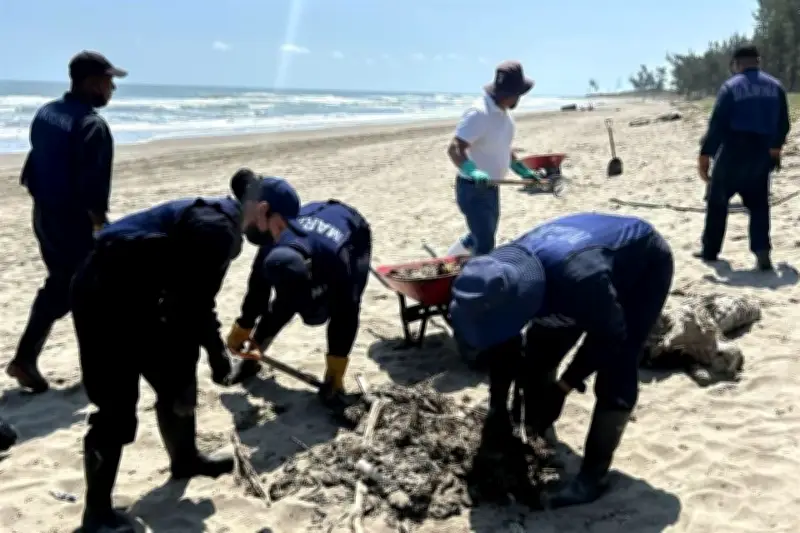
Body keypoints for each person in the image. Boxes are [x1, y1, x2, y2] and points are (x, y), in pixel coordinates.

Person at [71, 171, 301, 533]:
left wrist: (209, 352)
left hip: (145, 296)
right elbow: (193, 304)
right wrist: (217, 355)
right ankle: (96, 515)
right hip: (102, 296)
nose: (278, 237)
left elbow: (191, 299)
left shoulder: (224, 225)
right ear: (262, 210)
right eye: (279, 227)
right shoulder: (216, 229)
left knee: (177, 374)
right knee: (116, 407)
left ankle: (186, 459)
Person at [449, 213, 674, 509]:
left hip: (641, 268)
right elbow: (505, 346)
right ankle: (537, 435)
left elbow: (609, 336)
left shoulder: (579, 282)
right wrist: (497, 406)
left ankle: (592, 478)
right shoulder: (499, 278)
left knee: (617, 366)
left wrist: (562, 389)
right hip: (575, 266)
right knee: (538, 356)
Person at [7, 51, 127, 393]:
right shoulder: (91, 126)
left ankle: (26, 358)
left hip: (45, 214)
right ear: (92, 83)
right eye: (109, 81)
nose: (112, 89)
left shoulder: (47, 113)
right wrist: (100, 225)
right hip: (74, 223)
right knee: (89, 291)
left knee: (62, 285)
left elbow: (36, 160)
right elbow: (93, 186)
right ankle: (92, 369)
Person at [226, 195, 372, 410]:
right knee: (282, 305)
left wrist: (335, 372)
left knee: (343, 303)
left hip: (353, 231)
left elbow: (347, 313)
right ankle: (250, 361)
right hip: (312, 224)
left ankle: (333, 379)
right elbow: (257, 291)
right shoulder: (269, 246)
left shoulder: (338, 258)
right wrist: (243, 326)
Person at [696, 44, 790, 271]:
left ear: (736, 65)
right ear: (758, 62)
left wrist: (705, 155)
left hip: (733, 150)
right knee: (759, 204)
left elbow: (717, 124)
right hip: (761, 151)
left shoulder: (730, 87)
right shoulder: (775, 86)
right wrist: (775, 149)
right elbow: (783, 123)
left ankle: (710, 251)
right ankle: (762, 251)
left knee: (717, 201)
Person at [445, 60, 543, 257]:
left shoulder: (505, 116)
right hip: (472, 188)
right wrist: (472, 171)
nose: (520, 98)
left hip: (491, 187)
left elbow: (503, 148)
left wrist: (522, 170)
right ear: (510, 93)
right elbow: (454, 148)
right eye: (519, 94)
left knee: (483, 233)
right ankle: (473, 273)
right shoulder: (479, 113)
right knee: (485, 242)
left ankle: (450, 258)